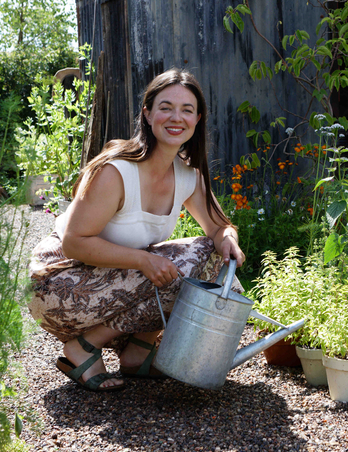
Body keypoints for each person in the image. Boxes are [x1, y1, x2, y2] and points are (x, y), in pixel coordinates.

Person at [28, 68, 245, 391]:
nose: (176, 117)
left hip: (105, 283)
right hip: (57, 285)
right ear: (147, 113)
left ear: (198, 119)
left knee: (214, 259)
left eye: (187, 110)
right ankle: (82, 347)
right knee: (191, 259)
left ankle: (137, 353)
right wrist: (143, 260)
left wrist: (229, 241)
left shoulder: (188, 175)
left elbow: (219, 227)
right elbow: (74, 243)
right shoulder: (116, 171)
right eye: (165, 107)